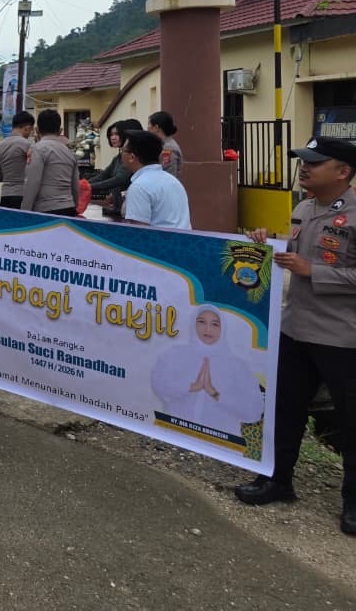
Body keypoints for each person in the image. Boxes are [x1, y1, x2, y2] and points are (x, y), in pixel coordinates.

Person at [235, 136, 356, 537]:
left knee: (350, 420)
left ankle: (352, 502)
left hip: (342, 336)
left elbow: (313, 266)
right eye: (303, 161)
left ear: (343, 171)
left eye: (315, 162)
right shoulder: (304, 207)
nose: (304, 168)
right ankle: (278, 480)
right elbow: (295, 250)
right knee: (286, 409)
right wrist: (268, 242)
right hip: (296, 328)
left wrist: (312, 271)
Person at [150, 306, 264, 435]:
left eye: (215, 324)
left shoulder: (238, 366)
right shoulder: (175, 354)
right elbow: (159, 386)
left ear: (223, 329)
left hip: (219, 445)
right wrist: (191, 387)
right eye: (202, 322)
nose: (208, 329)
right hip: (176, 437)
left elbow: (254, 411)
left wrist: (215, 394)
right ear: (193, 323)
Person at [117, 130, 191, 229]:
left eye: (122, 150)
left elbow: (139, 232)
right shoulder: (173, 181)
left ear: (132, 157)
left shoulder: (139, 187)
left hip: (158, 243)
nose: (121, 154)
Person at [20, 110, 79, 216]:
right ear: (60, 131)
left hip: (46, 210)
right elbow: (75, 186)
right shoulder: (69, 152)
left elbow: (32, 183)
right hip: (69, 208)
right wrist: (75, 206)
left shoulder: (37, 149)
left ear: (37, 130)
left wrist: (24, 212)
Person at [88, 119, 144, 218]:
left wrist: (89, 186)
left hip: (130, 210)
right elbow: (103, 176)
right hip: (119, 208)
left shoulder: (132, 157)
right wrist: (83, 183)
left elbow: (119, 179)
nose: (113, 138)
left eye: (117, 134)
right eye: (111, 135)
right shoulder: (118, 158)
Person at [0, 110, 35, 208]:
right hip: (23, 194)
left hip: (5, 196)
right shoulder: (28, 145)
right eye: (31, 130)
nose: (30, 133)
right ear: (27, 127)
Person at [148, 110, 183, 177]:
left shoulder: (168, 149)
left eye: (149, 125)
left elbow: (168, 174)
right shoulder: (162, 145)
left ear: (156, 128)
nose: (147, 128)